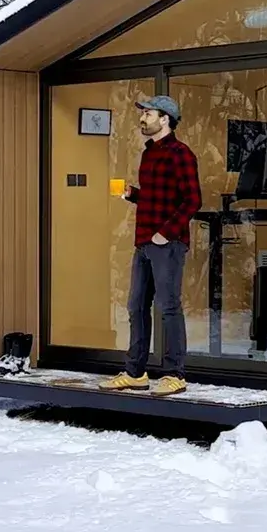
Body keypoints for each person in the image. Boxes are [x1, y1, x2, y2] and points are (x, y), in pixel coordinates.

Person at [102, 95, 200, 395]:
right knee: (136, 306)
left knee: (169, 307)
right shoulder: (149, 153)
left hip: (167, 244)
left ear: (165, 119)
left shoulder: (181, 153)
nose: (142, 118)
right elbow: (157, 197)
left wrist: (166, 233)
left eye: (148, 113)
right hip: (144, 241)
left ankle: (174, 374)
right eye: (142, 113)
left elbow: (193, 200)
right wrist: (132, 193)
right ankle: (135, 372)